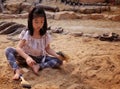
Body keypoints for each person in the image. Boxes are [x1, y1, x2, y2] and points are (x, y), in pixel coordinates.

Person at [5, 6, 68, 80]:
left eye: (42, 22)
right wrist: (27, 58)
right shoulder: (27, 33)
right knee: (8, 50)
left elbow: (47, 49)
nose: (39, 25)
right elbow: (18, 48)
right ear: (30, 21)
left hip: (39, 59)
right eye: (36, 22)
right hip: (24, 58)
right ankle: (17, 70)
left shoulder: (45, 35)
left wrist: (56, 55)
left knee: (58, 61)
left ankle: (38, 66)